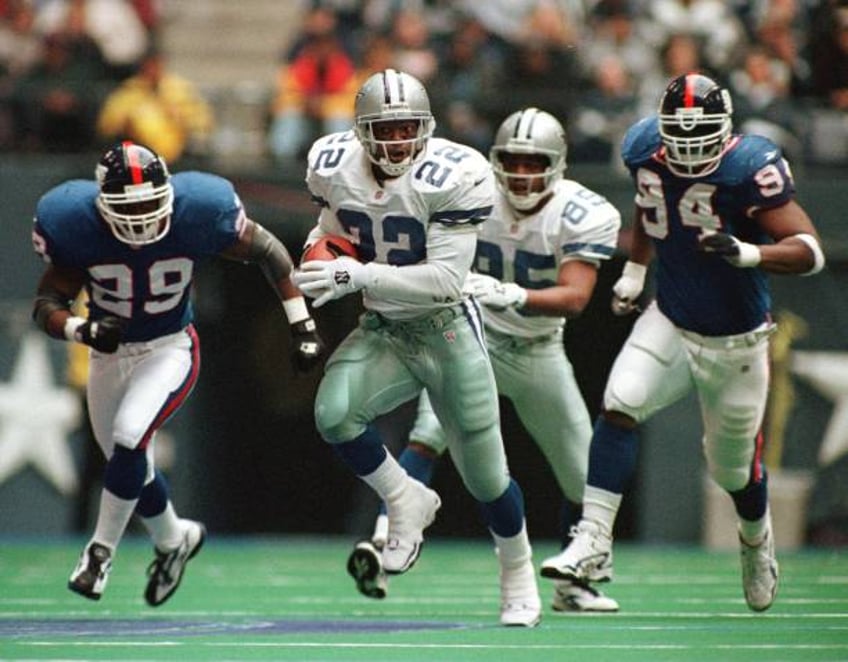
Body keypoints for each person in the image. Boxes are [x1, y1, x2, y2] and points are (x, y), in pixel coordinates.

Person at [540, 73, 826, 612]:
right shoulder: (646, 147)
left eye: (702, 141)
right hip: (670, 318)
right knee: (620, 402)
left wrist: (750, 253)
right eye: (681, 140)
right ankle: (592, 539)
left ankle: (755, 537)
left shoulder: (751, 168)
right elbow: (653, 208)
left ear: (726, 130)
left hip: (737, 340)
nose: (690, 153)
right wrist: (633, 270)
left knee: (731, 471)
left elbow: (810, 250)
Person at [345, 107, 623, 613]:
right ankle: (388, 536)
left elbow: (577, 297)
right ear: (495, 161)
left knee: (581, 472)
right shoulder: (469, 192)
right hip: (471, 338)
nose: (520, 173)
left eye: (532, 162)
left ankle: (573, 582)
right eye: (512, 161)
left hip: (538, 350)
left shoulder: (582, 211)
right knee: (428, 434)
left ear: (557, 164)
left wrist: (512, 294)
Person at [292, 69, 541, 627]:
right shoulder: (332, 165)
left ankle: (517, 572)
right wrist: (318, 254)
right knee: (333, 414)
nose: (399, 140)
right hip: (385, 329)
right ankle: (406, 499)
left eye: (409, 127)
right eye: (387, 128)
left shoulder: (453, 174)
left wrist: (356, 277)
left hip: (447, 330)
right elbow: (330, 225)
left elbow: (446, 282)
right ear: (361, 132)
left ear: (427, 127)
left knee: (486, 477)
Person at [31, 140, 325, 605]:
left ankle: (99, 552)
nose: (141, 218)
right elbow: (47, 305)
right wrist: (81, 329)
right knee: (130, 466)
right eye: (128, 207)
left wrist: (301, 323)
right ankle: (173, 539)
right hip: (109, 356)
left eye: (150, 203)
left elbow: (270, 253)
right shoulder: (73, 222)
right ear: (100, 204)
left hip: (169, 348)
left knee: (130, 437)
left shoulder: (200, 208)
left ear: (167, 194)